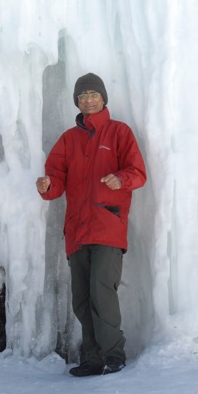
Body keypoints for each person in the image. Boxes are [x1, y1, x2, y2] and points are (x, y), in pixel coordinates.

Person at [36, 73, 147, 377]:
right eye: (82, 95)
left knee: (101, 290)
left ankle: (114, 354)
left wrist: (120, 178)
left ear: (103, 98)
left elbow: (138, 172)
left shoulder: (118, 133)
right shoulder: (68, 139)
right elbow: (56, 181)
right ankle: (93, 358)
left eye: (93, 94)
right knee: (82, 298)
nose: (88, 99)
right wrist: (47, 184)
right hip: (77, 231)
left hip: (107, 225)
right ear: (77, 101)